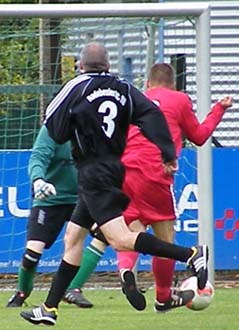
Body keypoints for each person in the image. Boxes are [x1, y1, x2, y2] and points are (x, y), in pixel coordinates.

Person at [20, 42, 208, 326]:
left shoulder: (76, 86)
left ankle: (191, 254)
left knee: (121, 239)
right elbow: (151, 115)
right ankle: (49, 308)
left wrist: (76, 125)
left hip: (95, 173)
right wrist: (167, 152)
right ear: (108, 66)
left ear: (81, 65)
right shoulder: (123, 87)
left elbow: (53, 127)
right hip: (112, 169)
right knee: (73, 237)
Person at [61, 63, 233, 313]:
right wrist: (219, 109)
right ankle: (163, 297)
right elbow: (198, 136)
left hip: (123, 172)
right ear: (172, 84)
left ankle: (125, 271)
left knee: (128, 231)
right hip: (155, 174)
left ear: (148, 84)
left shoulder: (131, 97)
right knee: (165, 240)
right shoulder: (179, 99)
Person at [6, 124, 93, 309]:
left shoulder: (87, 127)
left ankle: (73, 288)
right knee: (32, 255)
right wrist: (38, 180)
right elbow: (38, 157)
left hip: (81, 198)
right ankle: (22, 293)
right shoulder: (52, 129)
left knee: (104, 235)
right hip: (50, 199)